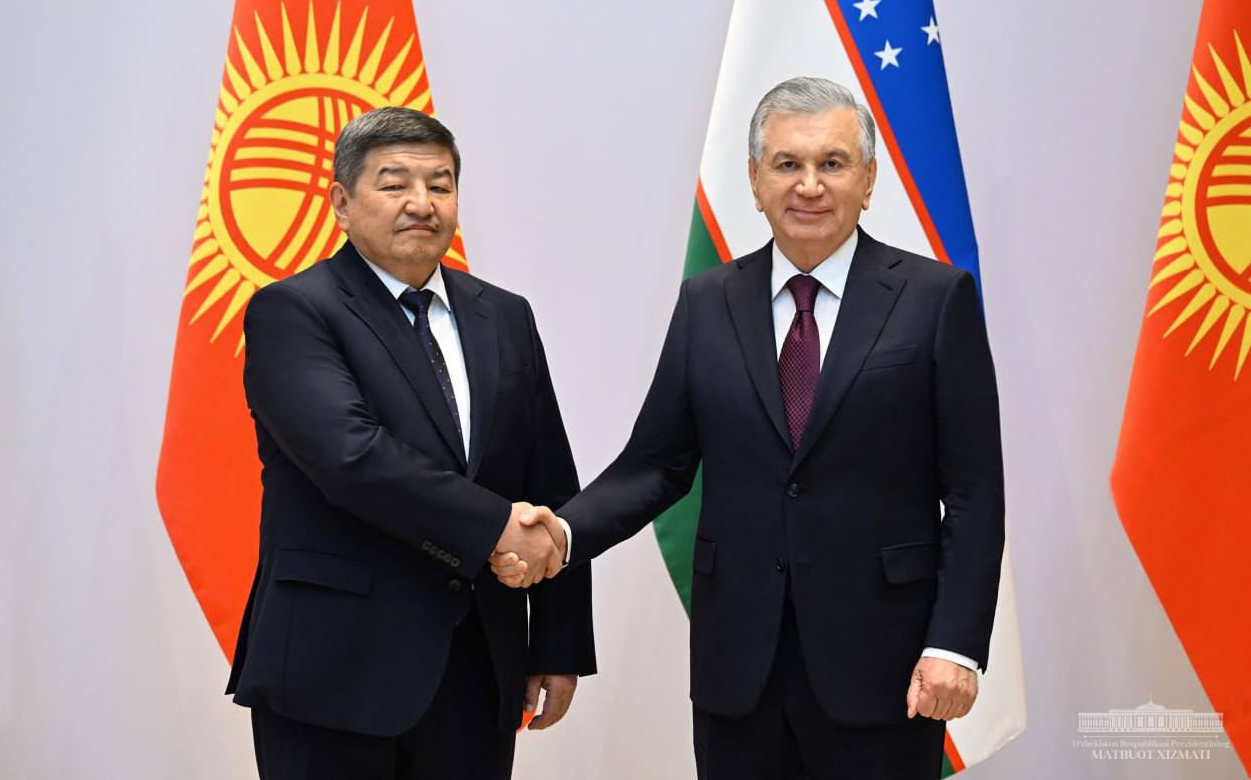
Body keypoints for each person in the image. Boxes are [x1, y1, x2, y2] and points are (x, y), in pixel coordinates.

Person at [492, 77, 1004, 779]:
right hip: (738, 668)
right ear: (756, 181)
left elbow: (974, 493)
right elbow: (656, 465)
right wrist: (562, 533)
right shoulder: (707, 301)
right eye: (788, 163)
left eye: (832, 163)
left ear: (868, 180)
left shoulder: (935, 298)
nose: (809, 185)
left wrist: (955, 644)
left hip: (885, 664)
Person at [226, 106, 595, 780]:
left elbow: (549, 478)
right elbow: (351, 456)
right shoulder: (295, 310)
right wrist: (496, 525)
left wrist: (558, 640)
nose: (422, 203)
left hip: (478, 665)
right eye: (394, 184)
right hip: (333, 667)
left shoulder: (504, 315)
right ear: (341, 203)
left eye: (440, 184)